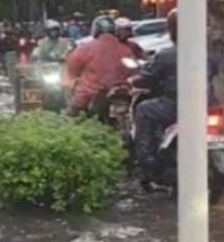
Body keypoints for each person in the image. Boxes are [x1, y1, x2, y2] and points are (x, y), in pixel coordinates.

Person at [131, 9, 183, 184]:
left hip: (175, 104)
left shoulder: (166, 55)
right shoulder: (212, 51)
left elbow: (148, 78)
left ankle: (146, 158)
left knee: (143, 109)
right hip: (209, 105)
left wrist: (133, 80)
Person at [65, 16, 135, 116]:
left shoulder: (86, 48)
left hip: (91, 94)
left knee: (72, 115)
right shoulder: (126, 49)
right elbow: (133, 70)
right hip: (122, 92)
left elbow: (72, 66)